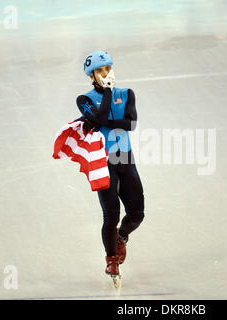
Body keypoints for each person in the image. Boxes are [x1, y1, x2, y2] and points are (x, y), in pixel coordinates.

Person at [76, 51, 145, 280]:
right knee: (111, 215)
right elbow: (99, 116)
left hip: (124, 159)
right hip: (103, 162)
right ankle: (111, 260)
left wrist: (102, 121)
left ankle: (121, 237)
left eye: (108, 69)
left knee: (137, 214)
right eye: (100, 71)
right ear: (92, 76)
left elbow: (131, 123)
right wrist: (106, 92)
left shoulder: (127, 94)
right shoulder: (84, 100)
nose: (106, 73)